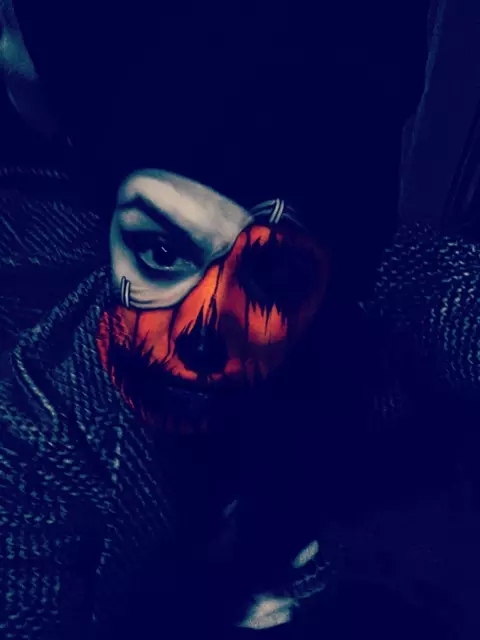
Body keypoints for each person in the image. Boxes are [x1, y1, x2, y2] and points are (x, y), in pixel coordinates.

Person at [0, 1, 479, 639]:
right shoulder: (40, 427)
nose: (201, 332)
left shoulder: (383, 290)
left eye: (270, 276)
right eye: (160, 252)